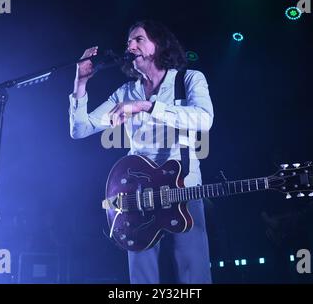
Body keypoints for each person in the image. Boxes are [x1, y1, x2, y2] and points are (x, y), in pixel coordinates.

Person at [68, 20, 214, 284]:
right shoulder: (125, 92)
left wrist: (145, 106)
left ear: (158, 45)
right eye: (128, 42)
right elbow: (80, 129)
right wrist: (80, 84)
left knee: (195, 276)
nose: (130, 45)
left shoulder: (189, 79)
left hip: (184, 191)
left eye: (138, 39)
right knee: (142, 280)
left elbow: (204, 119)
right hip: (138, 197)